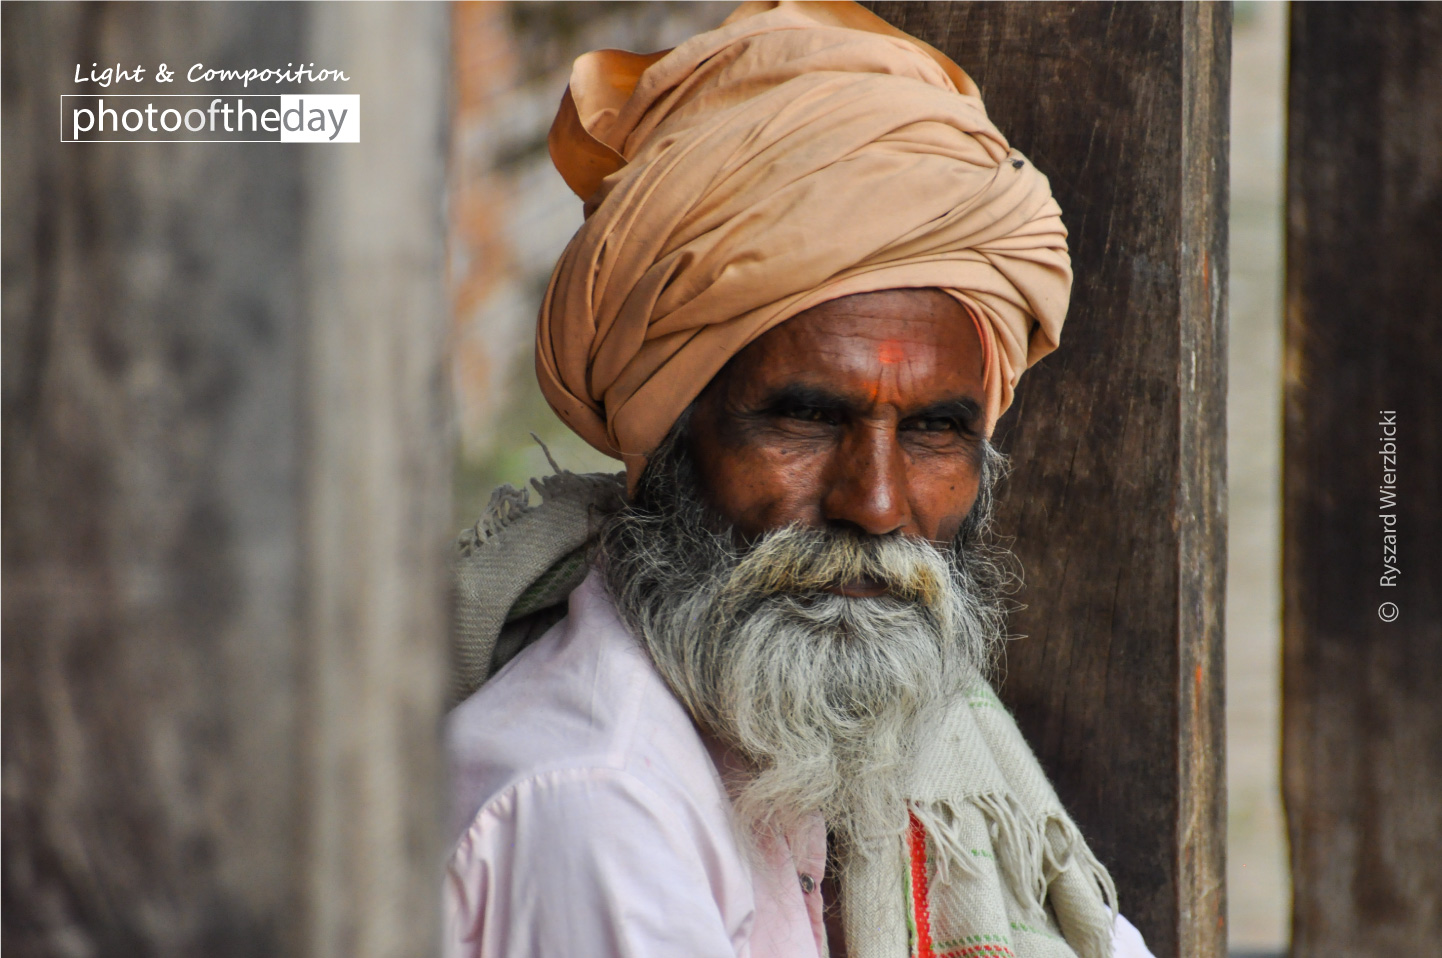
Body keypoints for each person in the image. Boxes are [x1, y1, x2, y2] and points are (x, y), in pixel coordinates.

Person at [445, 3, 1156, 957]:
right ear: (668, 443)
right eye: (807, 419)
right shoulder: (597, 808)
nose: (874, 502)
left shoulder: (874, 747)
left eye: (937, 431)